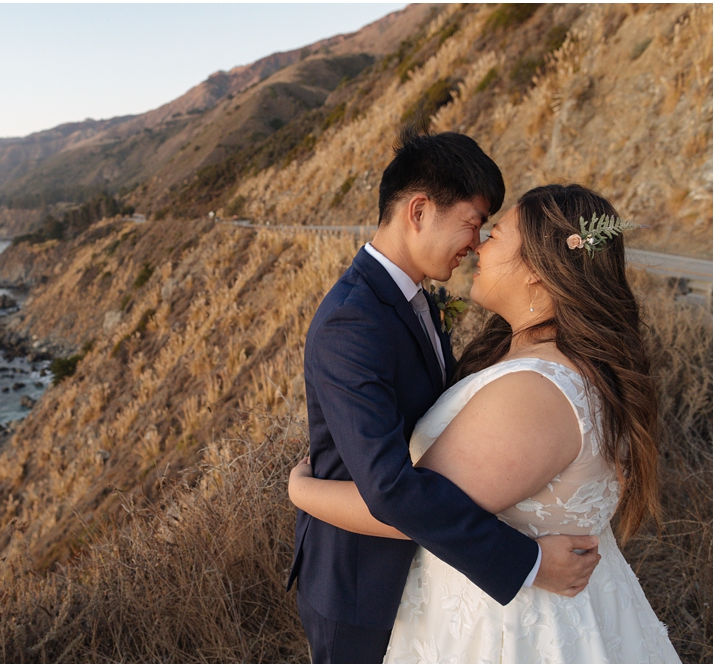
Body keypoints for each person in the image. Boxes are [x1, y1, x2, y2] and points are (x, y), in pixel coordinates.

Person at [289, 183, 681, 662]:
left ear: (536, 272)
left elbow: (409, 508)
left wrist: (299, 490)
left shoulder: (535, 393)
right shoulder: (545, 360)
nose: (478, 246)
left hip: (511, 630)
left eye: (495, 236)